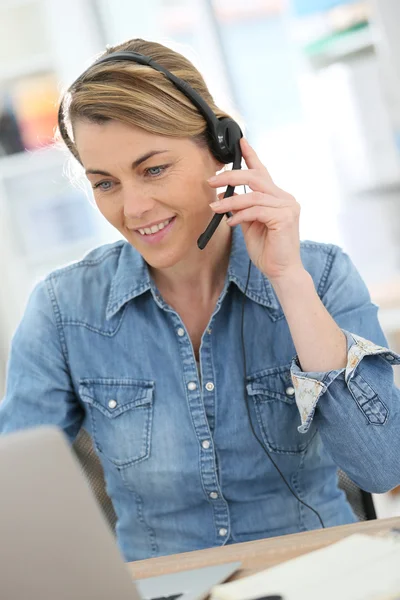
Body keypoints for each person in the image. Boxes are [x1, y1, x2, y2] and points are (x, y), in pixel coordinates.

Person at [1, 38, 400, 563]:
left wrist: (287, 279)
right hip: (163, 590)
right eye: (105, 183)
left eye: (154, 169)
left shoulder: (320, 274)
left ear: (222, 149)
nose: (134, 208)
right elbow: (16, 497)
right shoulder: (63, 308)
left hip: (318, 575)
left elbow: (382, 465)